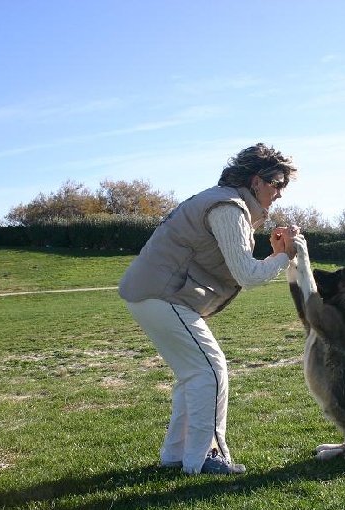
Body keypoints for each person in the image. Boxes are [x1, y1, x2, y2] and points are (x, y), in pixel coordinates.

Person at [118, 143, 299, 475]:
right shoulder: (229, 207)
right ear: (257, 181)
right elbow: (247, 275)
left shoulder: (223, 202)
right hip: (164, 296)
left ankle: (177, 456)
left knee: (195, 374)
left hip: (153, 294)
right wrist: (284, 256)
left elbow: (234, 268)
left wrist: (274, 254)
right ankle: (205, 456)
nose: (280, 194)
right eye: (277, 184)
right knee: (210, 371)